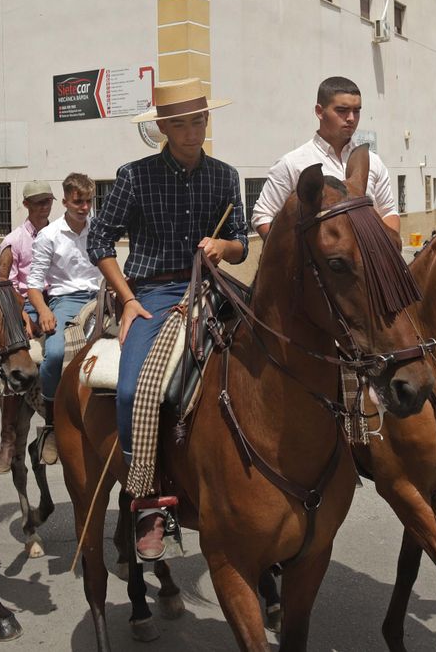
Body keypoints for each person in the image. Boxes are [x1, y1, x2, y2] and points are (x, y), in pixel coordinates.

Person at [87, 77, 248, 561]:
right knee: (134, 389)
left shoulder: (226, 176)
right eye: (179, 124)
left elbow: (241, 241)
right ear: (162, 127)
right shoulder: (134, 177)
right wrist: (127, 299)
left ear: (207, 120)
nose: (191, 131)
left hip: (213, 285)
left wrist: (223, 246)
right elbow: (99, 241)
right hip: (154, 292)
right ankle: (147, 499)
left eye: (198, 120)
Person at [252, 75, 397, 239]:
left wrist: (385, 248)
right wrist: (291, 251)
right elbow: (262, 216)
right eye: (342, 110)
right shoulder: (292, 163)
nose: (351, 118)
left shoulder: (373, 161)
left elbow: (388, 212)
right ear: (319, 111)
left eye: (356, 111)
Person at [26, 173, 103, 465]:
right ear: (65, 201)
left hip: (100, 298)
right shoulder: (49, 236)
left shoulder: (99, 228)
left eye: (89, 201)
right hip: (66, 301)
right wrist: (44, 311)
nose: (85, 207)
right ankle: (50, 422)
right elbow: (34, 285)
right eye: (78, 201)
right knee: (56, 354)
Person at [0, 181, 57, 474]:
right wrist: (24, 316)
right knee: (13, 357)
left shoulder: (59, 233)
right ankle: (7, 439)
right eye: (38, 202)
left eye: (48, 201)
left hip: (60, 299)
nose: (44, 207)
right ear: (26, 204)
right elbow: (3, 285)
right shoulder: (13, 241)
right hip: (25, 305)